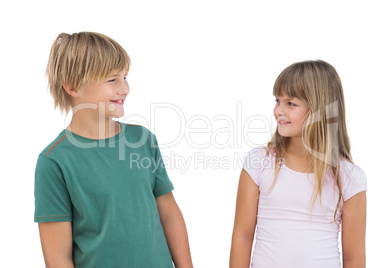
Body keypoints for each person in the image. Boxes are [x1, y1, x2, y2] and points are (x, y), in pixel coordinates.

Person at [34, 32, 193, 268]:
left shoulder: (143, 140)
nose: (125, 88)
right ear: (72, 86)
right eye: (112, 80)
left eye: (125, 77)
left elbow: (169, 215)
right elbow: (58, 258)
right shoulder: (55, 161)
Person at [230, 60, 367, 268]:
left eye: (290, 103)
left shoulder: (349, 177)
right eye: (277, 100)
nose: (278, 110)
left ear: (319, 110)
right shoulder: (259, 163)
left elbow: (354, 258)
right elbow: (242, 235)